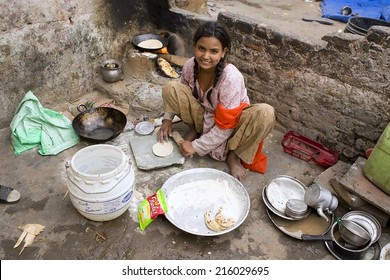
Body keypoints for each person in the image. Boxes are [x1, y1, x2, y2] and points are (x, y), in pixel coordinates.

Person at [157, 21, 276, 181]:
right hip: (204, 116)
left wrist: (196, 146)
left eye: (214, 51)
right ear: (194, 46)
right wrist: (167, 120)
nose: (206, 56)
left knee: (266, 113)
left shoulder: (230, 77)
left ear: (223, 52)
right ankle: (195, 129)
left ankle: (233, 155)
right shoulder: (190, 66)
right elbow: (181, 95)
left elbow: (226, 126)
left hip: (232, 125)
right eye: (201, 49)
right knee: (171, 88)